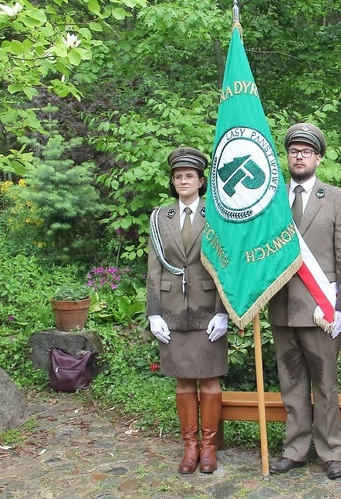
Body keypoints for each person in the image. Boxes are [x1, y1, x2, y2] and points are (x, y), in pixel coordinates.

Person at [267, 123, 341, 480]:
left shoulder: (337, 198)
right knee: (291, 384)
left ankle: (331, 451)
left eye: (306, 151)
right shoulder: (271, 202)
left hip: (322, 309)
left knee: (325, 384)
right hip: (281, 305)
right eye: (294, 150)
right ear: (287, 156)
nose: (299, 156)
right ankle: (295, 449)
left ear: (318, 157)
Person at [146, 147, 229, 475]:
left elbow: (226, 265)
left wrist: (223, 311)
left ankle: (209, 447)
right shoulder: (159, 217)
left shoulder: (218, 216)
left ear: (200, 181)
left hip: (207, 308)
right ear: (173, 181)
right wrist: (153, 313)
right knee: (183, 383)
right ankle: (190, 445)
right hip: (172, 311)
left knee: (209, 381)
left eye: (189, 176)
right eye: (178, 176)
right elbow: (154, 269)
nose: (183, 181)